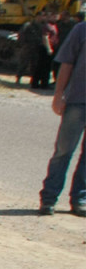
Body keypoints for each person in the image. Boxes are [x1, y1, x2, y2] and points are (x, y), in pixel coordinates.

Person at [39, 19, 86, 216]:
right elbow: (66, 63)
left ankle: (80, 199)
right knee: (63, 151)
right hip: (77, 100)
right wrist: (59, 95)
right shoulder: (81, 29)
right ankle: (49, 199)